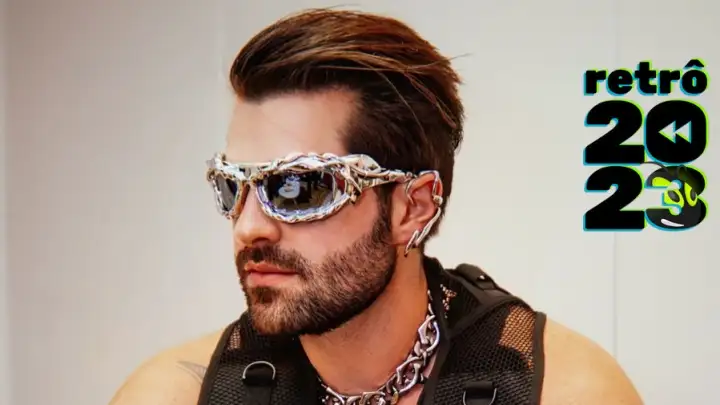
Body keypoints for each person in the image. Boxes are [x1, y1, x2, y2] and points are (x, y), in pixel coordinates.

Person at [109, 8, 644, 405]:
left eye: (298, 188)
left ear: (412, 208)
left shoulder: (562, 392)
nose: (249, 227)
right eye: (234, 188)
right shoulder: (176, 394)